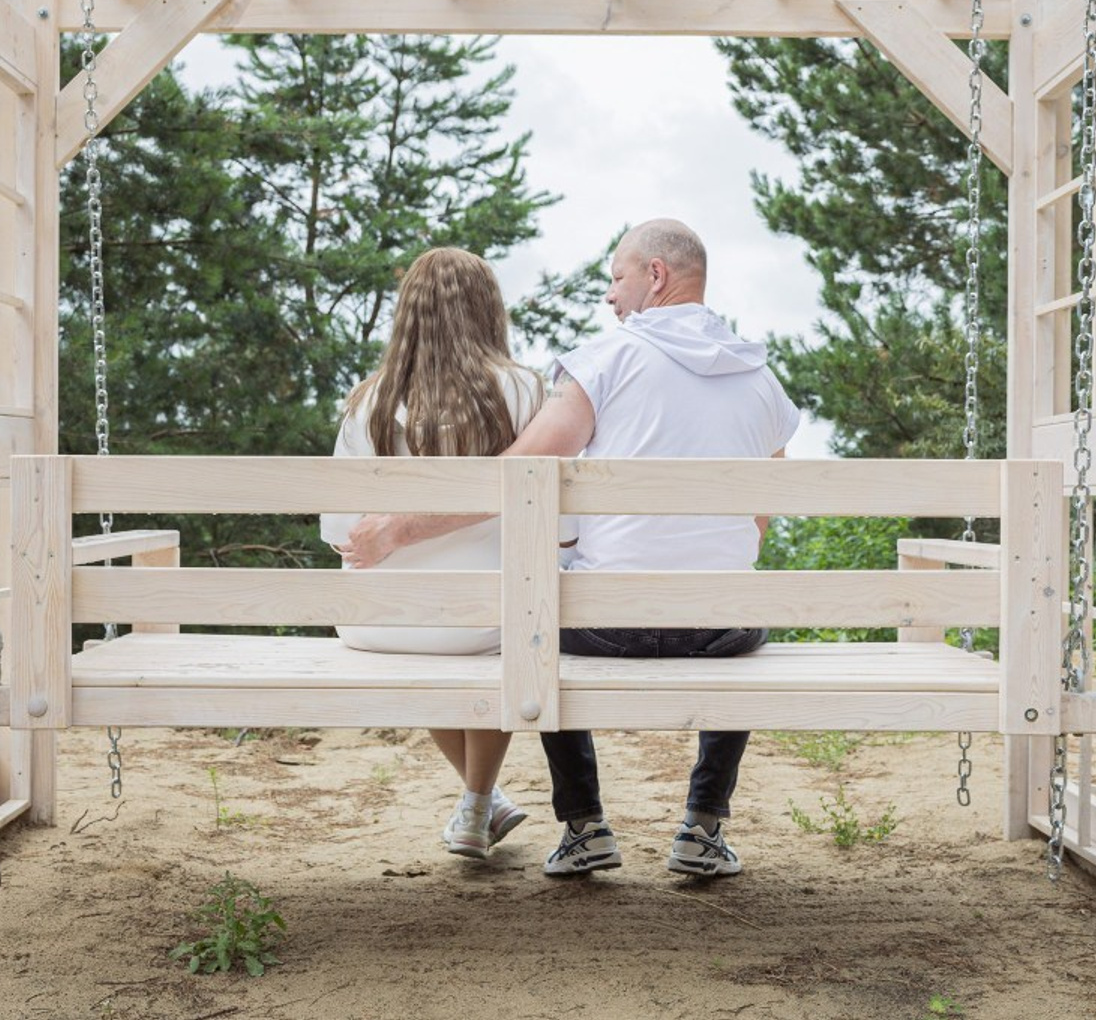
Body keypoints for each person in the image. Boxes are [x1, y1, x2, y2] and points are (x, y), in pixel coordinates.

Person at [339, 220, 800, 879]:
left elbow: (520, 474)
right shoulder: (762, 379)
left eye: (617, 278)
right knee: (737, 587)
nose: (611, 298)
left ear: (656, 276)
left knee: (540, 611)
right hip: (722, 629)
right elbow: (761, 512)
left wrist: (400, 529)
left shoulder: (605, 361)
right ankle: (702, 825)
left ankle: (584, 825)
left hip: (609, 628)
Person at [320, 247, 544, 861]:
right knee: (485, 628)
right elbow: (558, 526)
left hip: (379, 624)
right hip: (481, 623)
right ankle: (476, 807)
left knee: (426, 635)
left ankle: (484, 803)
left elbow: (338, 528)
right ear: (488, 310)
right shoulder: (524, 392)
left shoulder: (367, 400)